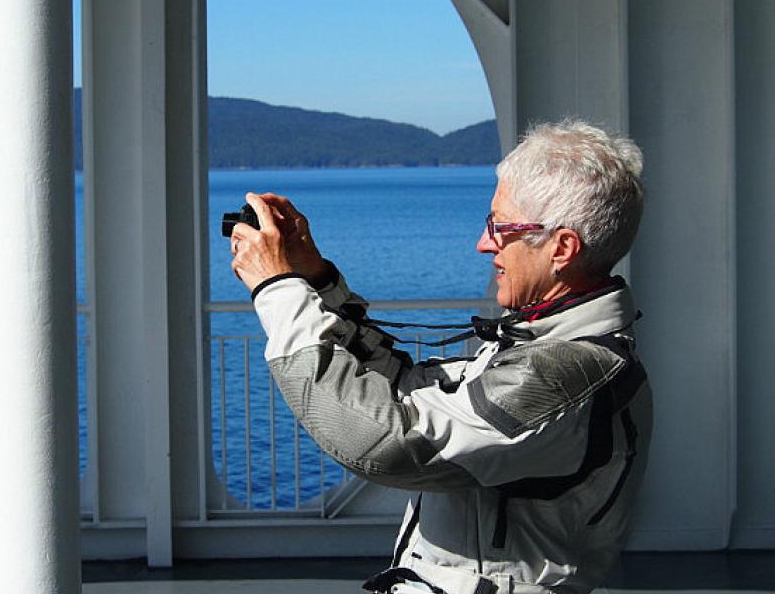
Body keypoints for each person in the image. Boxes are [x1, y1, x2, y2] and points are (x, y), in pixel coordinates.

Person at [229, 120, 651, 594]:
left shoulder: (568, 373)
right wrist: (316, 280)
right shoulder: (540, 345)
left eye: (499, 226)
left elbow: (388, 442)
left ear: (562, 248)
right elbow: (405, 390)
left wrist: (278, 291)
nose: (483, 243)